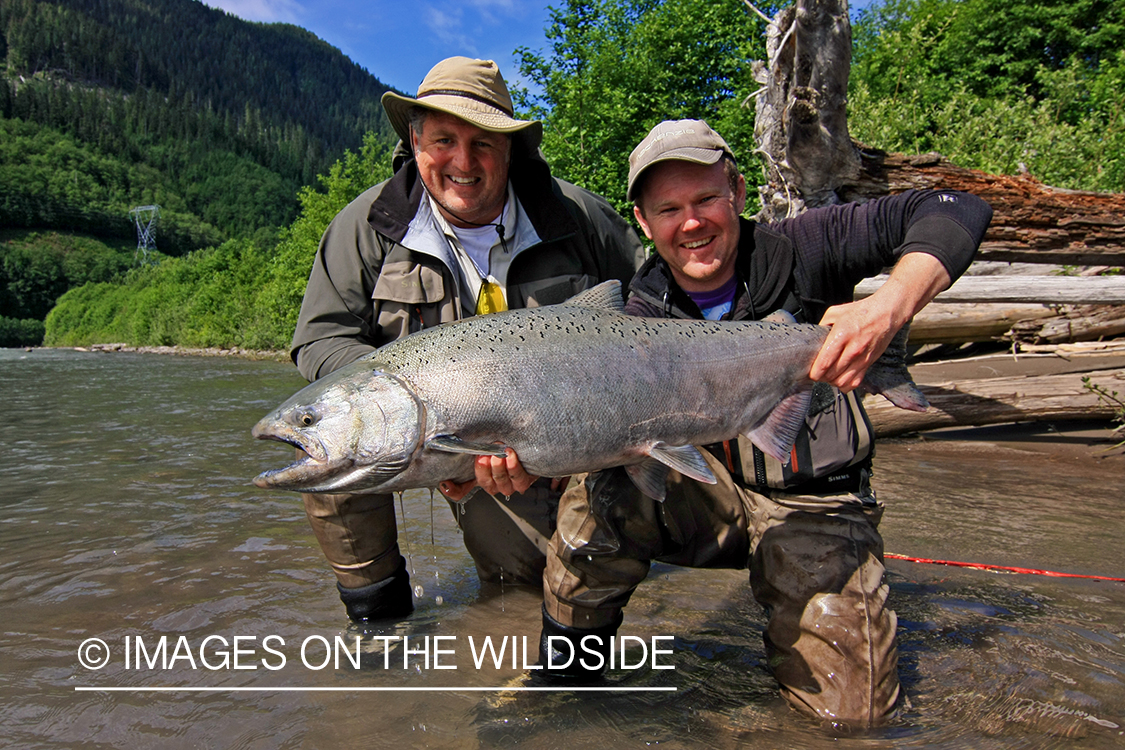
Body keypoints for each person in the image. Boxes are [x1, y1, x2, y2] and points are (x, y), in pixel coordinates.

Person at [536, 120, 992, 728]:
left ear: (738, 193)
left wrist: (887, 309)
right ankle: (563, 675)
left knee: (852, 722)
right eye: (668, 209)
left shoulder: (809, 246)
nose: (691, 223)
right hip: (703, 503)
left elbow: (958, 207)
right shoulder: (639, 313)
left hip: (813, 508)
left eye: (706, 199)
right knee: (599, 487)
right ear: (643, 222)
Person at [290, 57, 645, 623]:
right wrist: (401, 412)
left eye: (483, 143)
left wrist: (580, 440)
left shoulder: (579, 218)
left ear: (511, 149)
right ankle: (380, 621)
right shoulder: (366, 227)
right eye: (444, 141)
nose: (462, 161)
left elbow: (654, 312)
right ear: (414, 141)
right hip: (409, 428)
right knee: (328, 452)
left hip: (520, 447)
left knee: (523, 584)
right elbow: (320, 338)